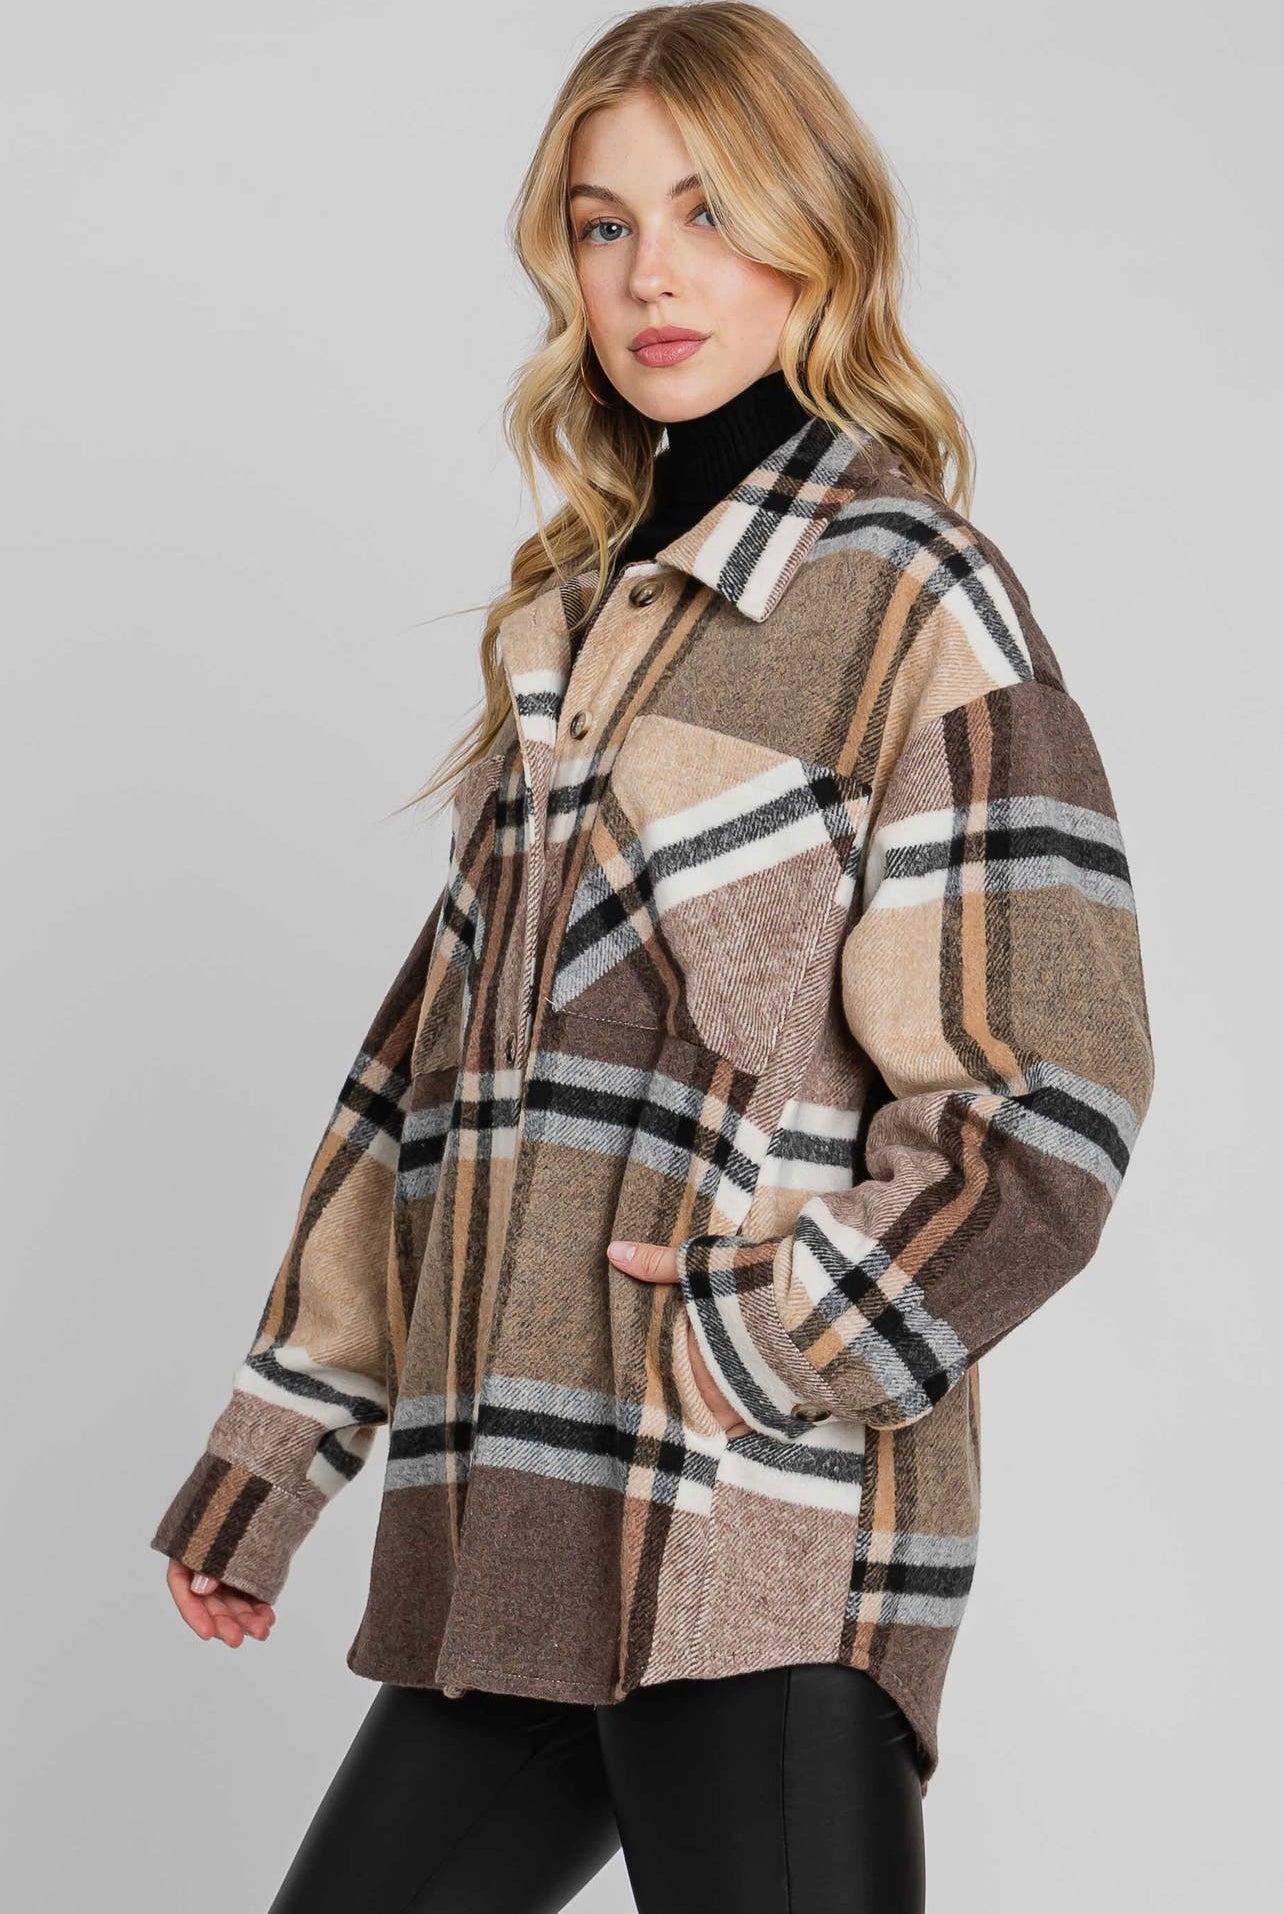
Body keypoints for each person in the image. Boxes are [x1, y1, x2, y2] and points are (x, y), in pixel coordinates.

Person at [148, 7, 1154, 1910]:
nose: (651, 274)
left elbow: (1049, 1103)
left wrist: (754, 1343)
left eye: (707, 210)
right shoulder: (563, 619)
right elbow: (429, 1085)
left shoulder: (911, 600)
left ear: (819, 232)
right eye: (604, 225)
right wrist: (276, 1449)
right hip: (515, 1522)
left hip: (752, 1535)